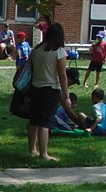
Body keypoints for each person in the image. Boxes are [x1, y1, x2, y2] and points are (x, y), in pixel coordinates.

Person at [27, 21, 74, 161]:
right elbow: (62, 75)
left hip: (35, 88)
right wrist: (66, 96)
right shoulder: (59, 52)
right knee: (45, 122)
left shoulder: (36, 50)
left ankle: (32, 150)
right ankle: (44, 154)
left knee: (34, 120)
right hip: (50, 89)